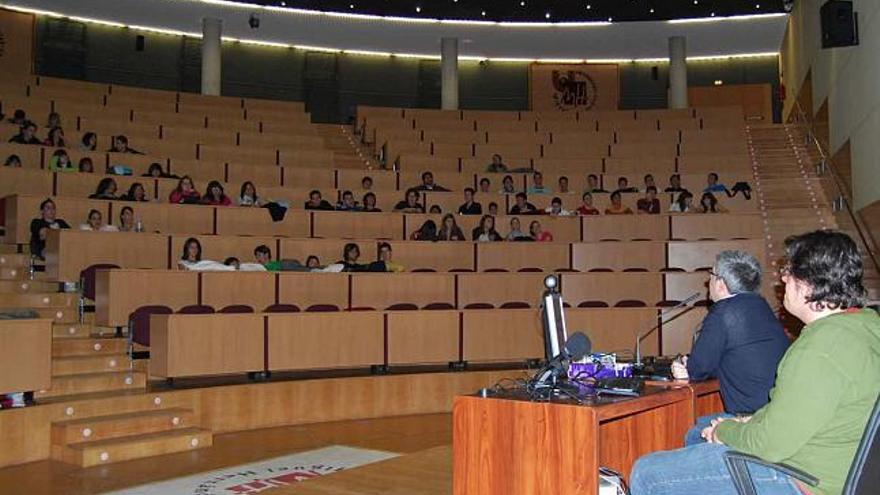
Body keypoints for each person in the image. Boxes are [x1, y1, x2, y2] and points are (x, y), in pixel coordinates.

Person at [631, 230, 880, 495]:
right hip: (838, 466)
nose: (782, 278)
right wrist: (748, 421)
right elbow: (799, 410)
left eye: (788, 271)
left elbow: (771, 444)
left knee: (647, 473)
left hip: (804, 480)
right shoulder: (866, 325)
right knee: (699, 433)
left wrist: (727, 431)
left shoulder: (821, 348)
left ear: (807, 285)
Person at [669, 250, 790, 446]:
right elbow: (741, 357)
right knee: (700, 422)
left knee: (692, 432)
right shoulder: (762, 306)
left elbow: (698, 369)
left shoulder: (723, 313)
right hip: (773, 416)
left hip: (751, 423)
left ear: (721, 283)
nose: (707, 282)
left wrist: (685, 368)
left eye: (711, 275)